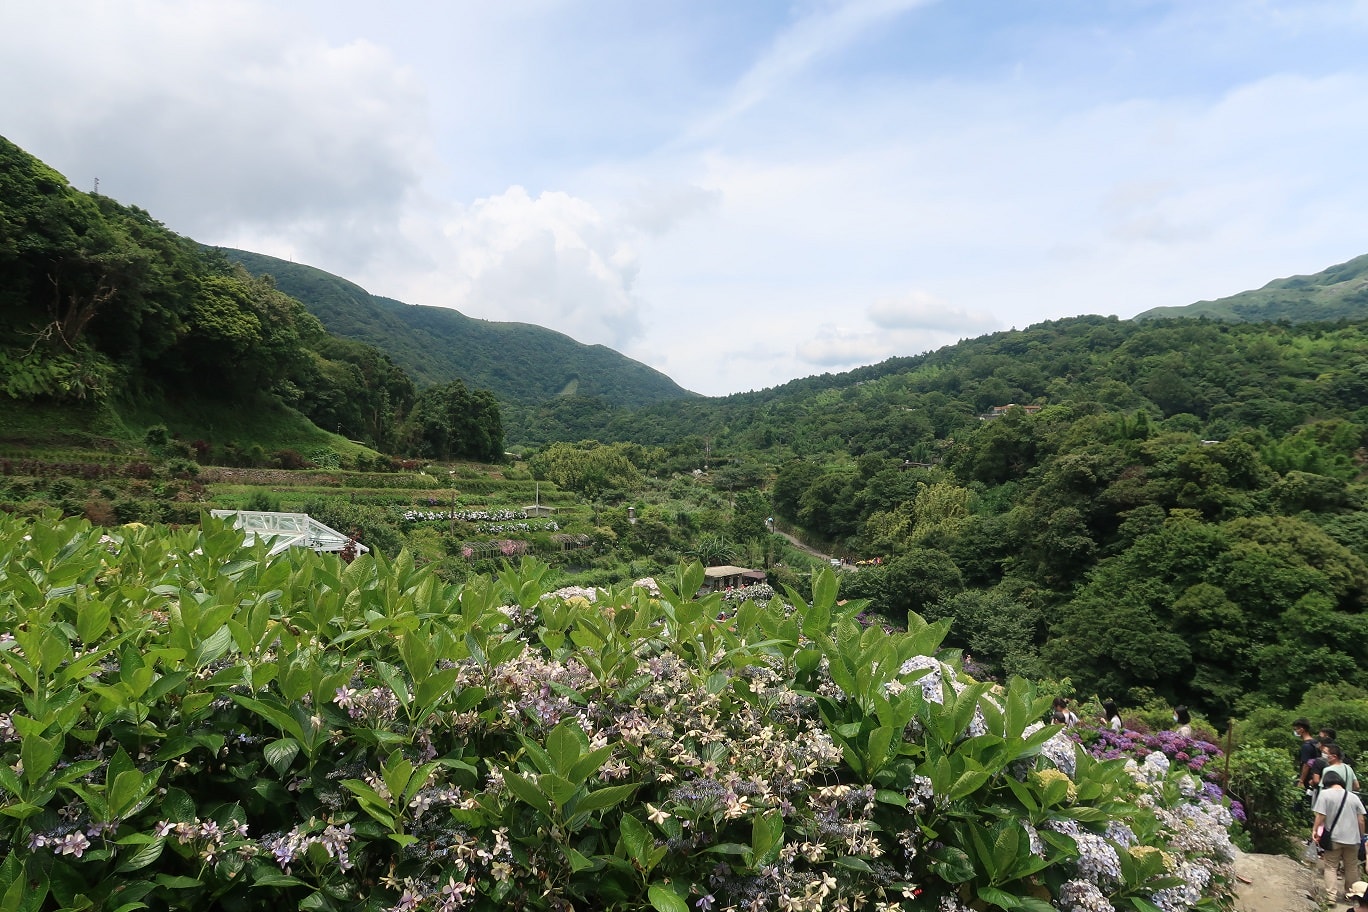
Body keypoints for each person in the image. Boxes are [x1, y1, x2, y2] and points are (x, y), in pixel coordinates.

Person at [1314, 770, 1367, 903]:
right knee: (1351, 867)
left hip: (1334, 838)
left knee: (1331, 866)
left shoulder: (1325, 795)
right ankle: (1350, 895)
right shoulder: (1353, 797)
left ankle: (1331, 897)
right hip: (1353, 839)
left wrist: (1315, 830)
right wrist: (1361, 836)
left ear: (1326, 782)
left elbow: (1321, 815)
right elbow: (1361, 819)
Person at [1299, 718, 1324, 787]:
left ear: (1301, 730)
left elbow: (1306, 764)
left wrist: (1301, 781)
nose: (1296, 732)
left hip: (1309, 779)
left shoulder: (1306, 746)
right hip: (1318, 776)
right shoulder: (1316, 742)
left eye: (1296, 729)